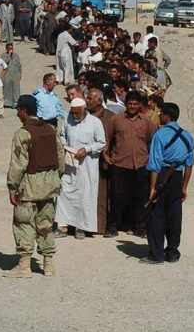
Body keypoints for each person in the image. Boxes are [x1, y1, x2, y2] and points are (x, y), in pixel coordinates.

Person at [4, 94, 64, 278]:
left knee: (24, 223)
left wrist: (12, 188)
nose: (17, 115)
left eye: (18, 111)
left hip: (28, 187)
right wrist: (54, 178)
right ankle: (48, 265)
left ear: (23, 111)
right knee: (46, 224)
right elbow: (60, 158)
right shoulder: (50, 130)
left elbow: (18, 164)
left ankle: (24, 265)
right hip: (49, 186)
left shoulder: (22, 134)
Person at [144, 102, 194, 264]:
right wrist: (184, 187)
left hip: (161, 176)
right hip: (177, 178)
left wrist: (153, 188)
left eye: (160, 113)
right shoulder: (187, 137)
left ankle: (157, 254)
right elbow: (189, 164)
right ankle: (173, 251)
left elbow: (155, 163)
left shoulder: (160, 135)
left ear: (167, 116)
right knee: (174, 216)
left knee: (156, 215)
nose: (159, 116)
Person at [104, 91, 157, 238]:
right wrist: (105, 155)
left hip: (140, 164)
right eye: (130, 104)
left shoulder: (146, 121)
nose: (132, 106)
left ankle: (138, 226)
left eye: (135, 104)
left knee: (139, 197)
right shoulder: (116, 120)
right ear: (125, 104)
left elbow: (153, 140)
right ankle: (113, 226)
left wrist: (151, 160)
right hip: (119, 163)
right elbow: (107, 139)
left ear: (140, 105)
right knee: (116, 196)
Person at [54, 97, 107, 238]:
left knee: (84, 196)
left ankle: (80, 227)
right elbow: (63, 135)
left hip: (87, 166)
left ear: (84, 111)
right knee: (65, 193)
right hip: (70, 165)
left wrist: (87, 149)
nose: (75, 116)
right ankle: (63, 226)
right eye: (73, 113)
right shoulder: (68, 120)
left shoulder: (95, 123)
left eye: (77, 113)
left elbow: (101, 142)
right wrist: (65, 146)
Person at [86, 87, 115, 236]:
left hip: (102, 163)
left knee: (102, 195)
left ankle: (100, 225)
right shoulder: (83, 116)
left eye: (90, 98)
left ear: (99, 100)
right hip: (85, 162)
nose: (87, 100)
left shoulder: (110, 118)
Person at [1, 42, 22, 109]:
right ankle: (7, 103)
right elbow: (3, 63)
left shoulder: (16, 56)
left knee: (16, 89)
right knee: (7, 89)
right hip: (7, 75)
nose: (11, 49)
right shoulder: (3, 55)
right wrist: (9, 56)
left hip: (15, 75)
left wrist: (20, 74)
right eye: (9, 48)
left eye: (12, 48)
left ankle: (16, 103)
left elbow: (19, 65)